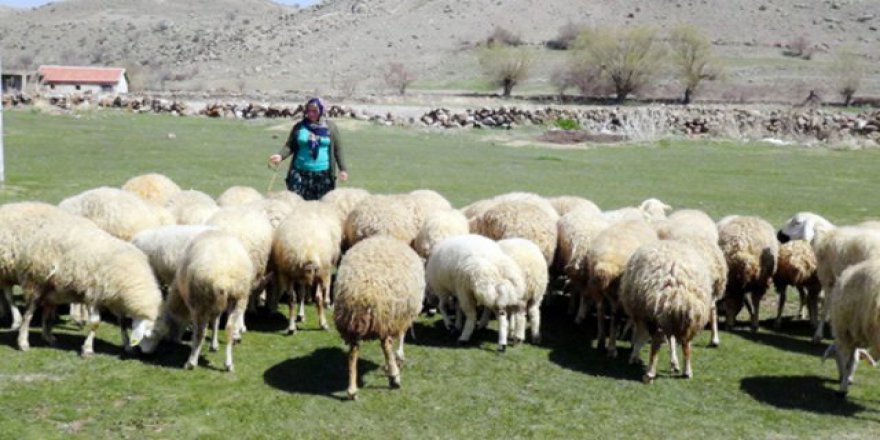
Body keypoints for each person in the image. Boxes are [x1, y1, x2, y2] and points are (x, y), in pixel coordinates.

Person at [268, 97, 348, 200]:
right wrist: (280, 156)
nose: (311, 114)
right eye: (309, 111)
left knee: (321, 207)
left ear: (321, 111)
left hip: (323, 175)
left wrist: (343, 170)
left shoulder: (330, 128)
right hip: (300, 173)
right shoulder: (300, 127)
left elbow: (338, 150)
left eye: (314, 111)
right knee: (296, 204)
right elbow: (290, 145)